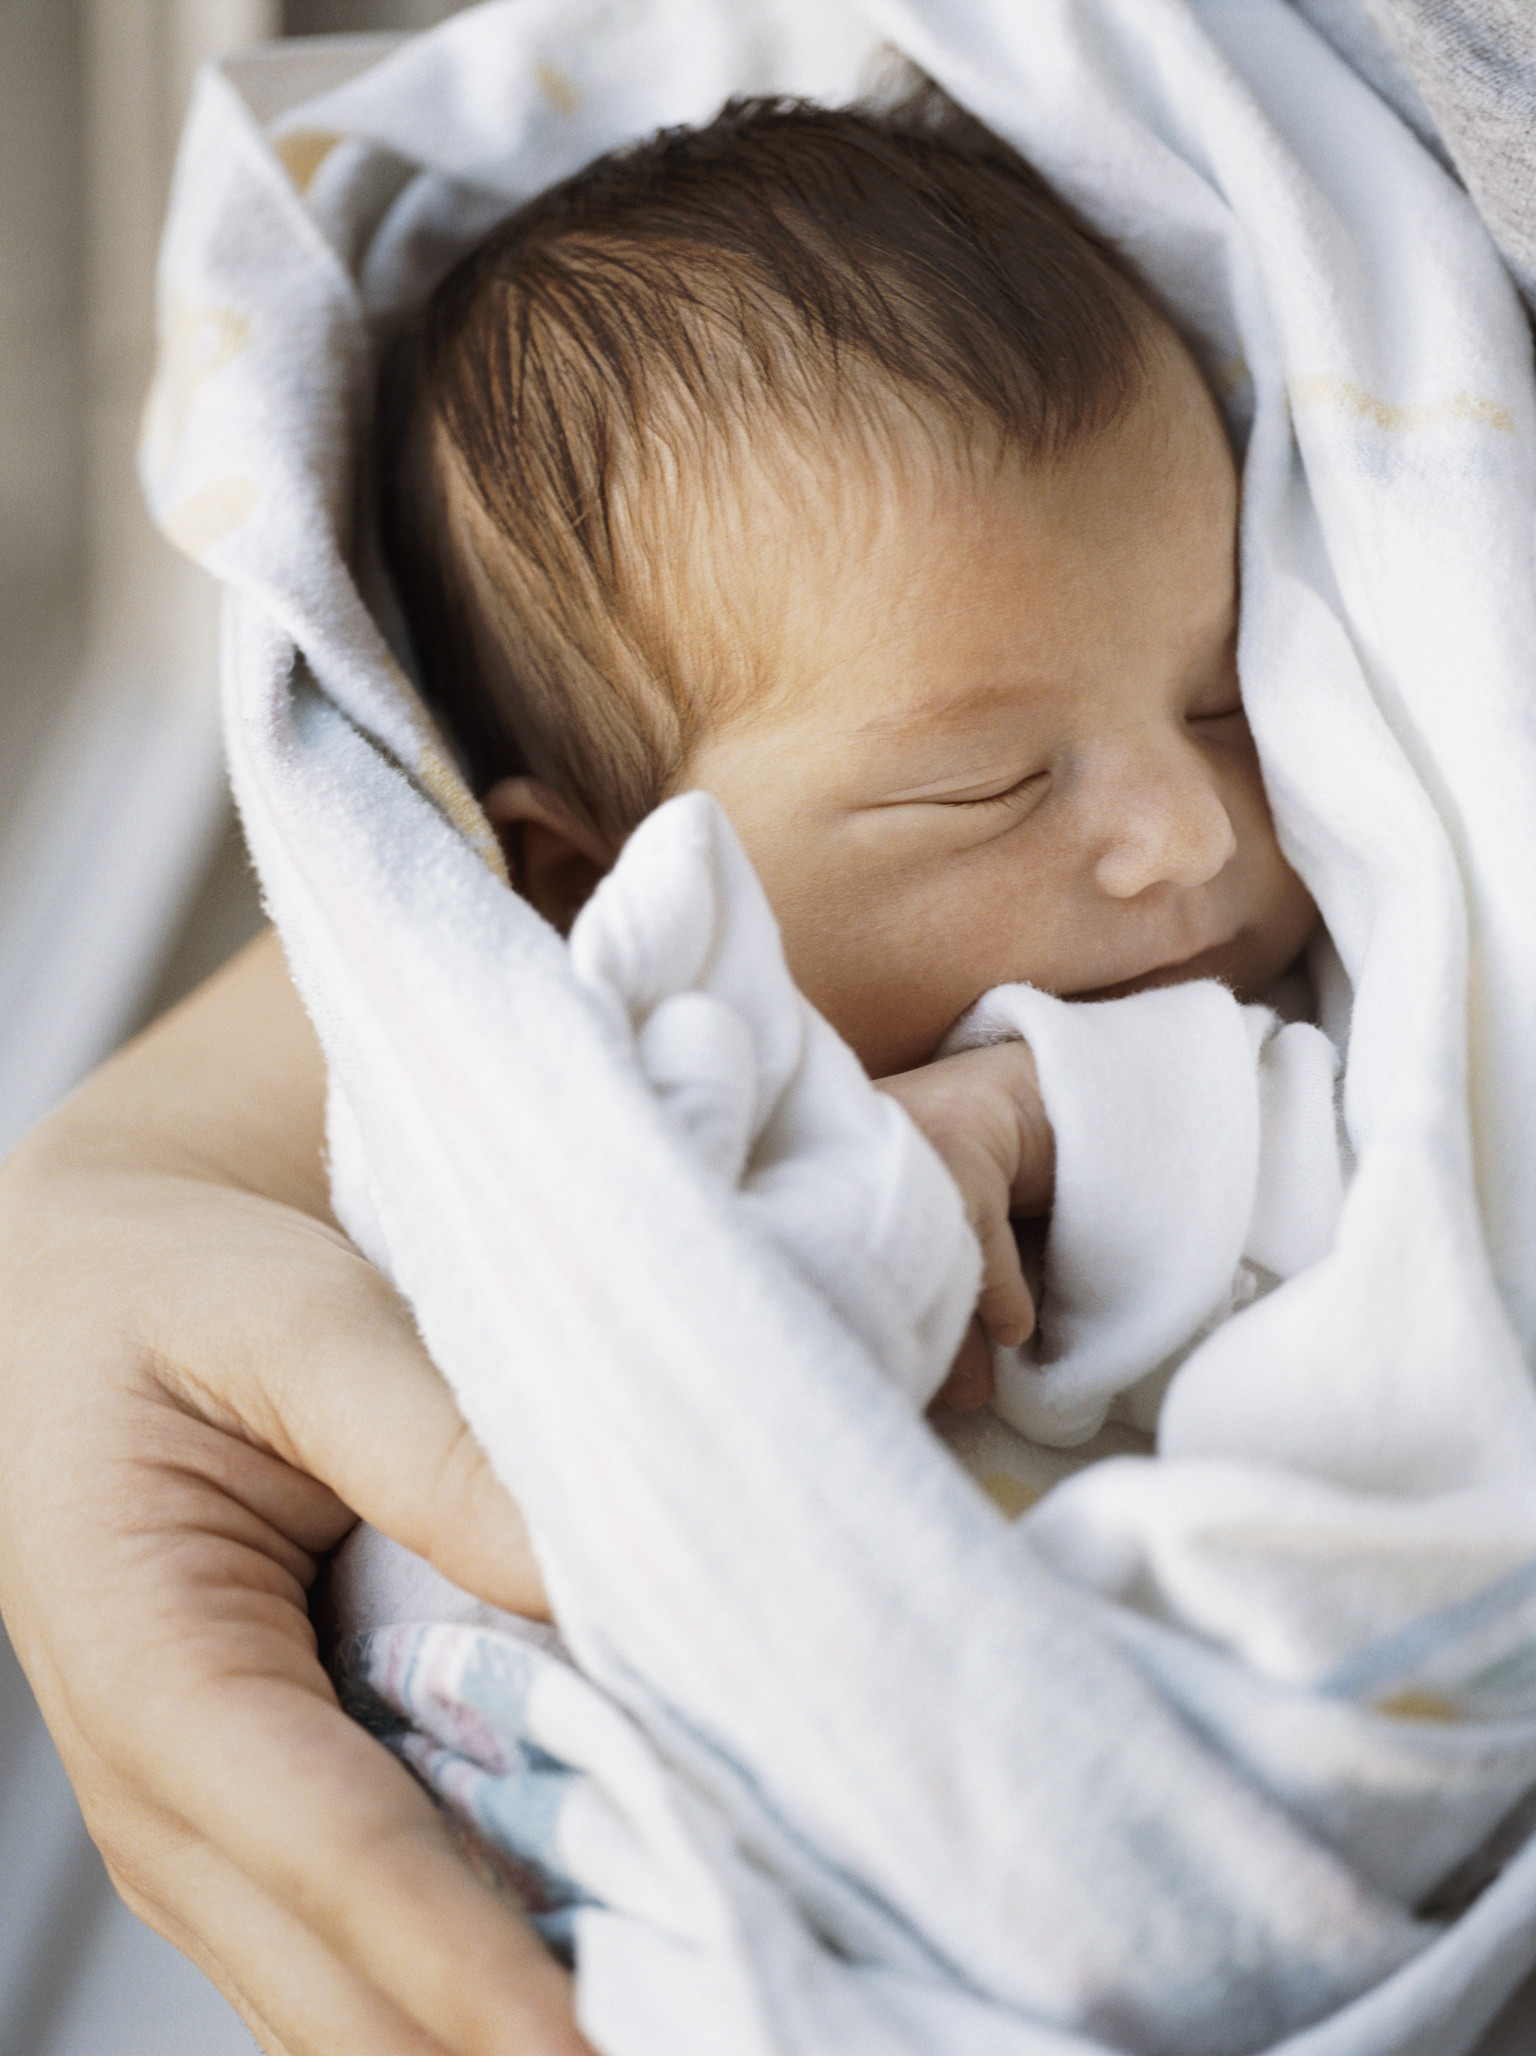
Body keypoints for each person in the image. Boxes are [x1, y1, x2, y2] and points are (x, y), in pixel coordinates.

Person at [0, 89, 1325, 2056]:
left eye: (1224, 696)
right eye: (985, 784)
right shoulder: (595, 1112)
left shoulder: (1189, 1033)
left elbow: (1317, 1162)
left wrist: (1043, 1113)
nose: (1190, 834)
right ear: (587, 879)